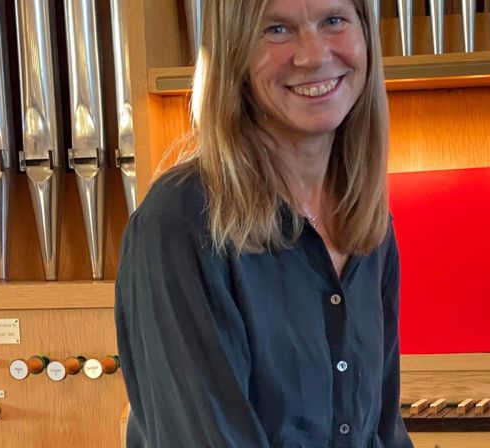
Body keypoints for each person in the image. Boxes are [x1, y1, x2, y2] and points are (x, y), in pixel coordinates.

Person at [114, 0, 413, 446]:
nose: (312, 55)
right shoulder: (180, 222)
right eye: (276, 30)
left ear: (365, 36)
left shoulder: (366, 220)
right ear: (234, 55)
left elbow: (383, 432)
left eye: (333, 20)